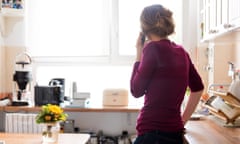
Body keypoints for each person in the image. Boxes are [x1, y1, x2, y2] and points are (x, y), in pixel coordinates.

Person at [130, 4, 204, 144]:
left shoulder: (152, 49)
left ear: (144, 29)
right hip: (174, 134)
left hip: (151, 134)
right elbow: (198, 88)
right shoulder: (181, 52)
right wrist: (182, 121)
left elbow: (136, 90)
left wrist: (139, 53)